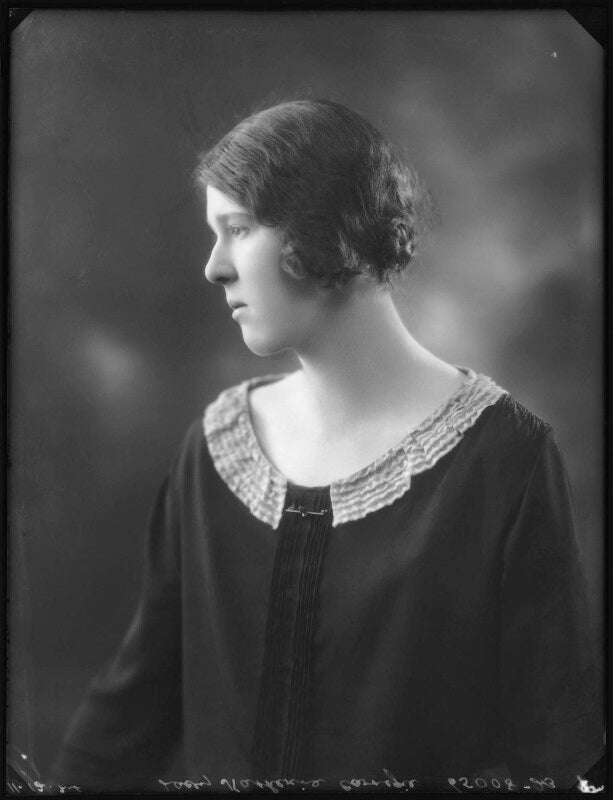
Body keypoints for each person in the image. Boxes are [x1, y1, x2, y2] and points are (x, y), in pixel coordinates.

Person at [51, 99, 603, 793]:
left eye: (238, 229)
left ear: (328, 231)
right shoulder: (214, 450)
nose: (214, 268)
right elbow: (129, 716)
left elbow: (558, 755)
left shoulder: (505, 459)